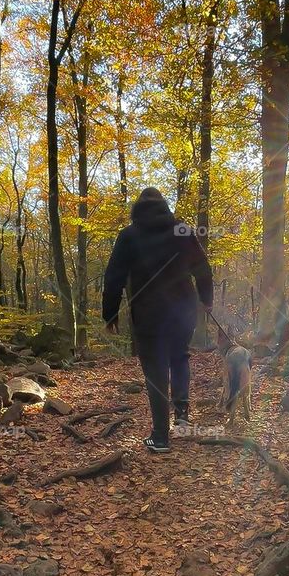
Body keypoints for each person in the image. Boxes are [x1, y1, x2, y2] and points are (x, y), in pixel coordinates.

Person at [102, 187, 213, 452]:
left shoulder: (129, 235)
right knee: (180, 357)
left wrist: (110, 313)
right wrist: (207, 299)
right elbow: (202, 268)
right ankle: (182, 415)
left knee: (155, 370)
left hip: (147, 313)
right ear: (165, 206)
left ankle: (161, 437)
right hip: (182, 310)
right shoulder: (181, 230)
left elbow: (113, 277)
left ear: (137, 209)